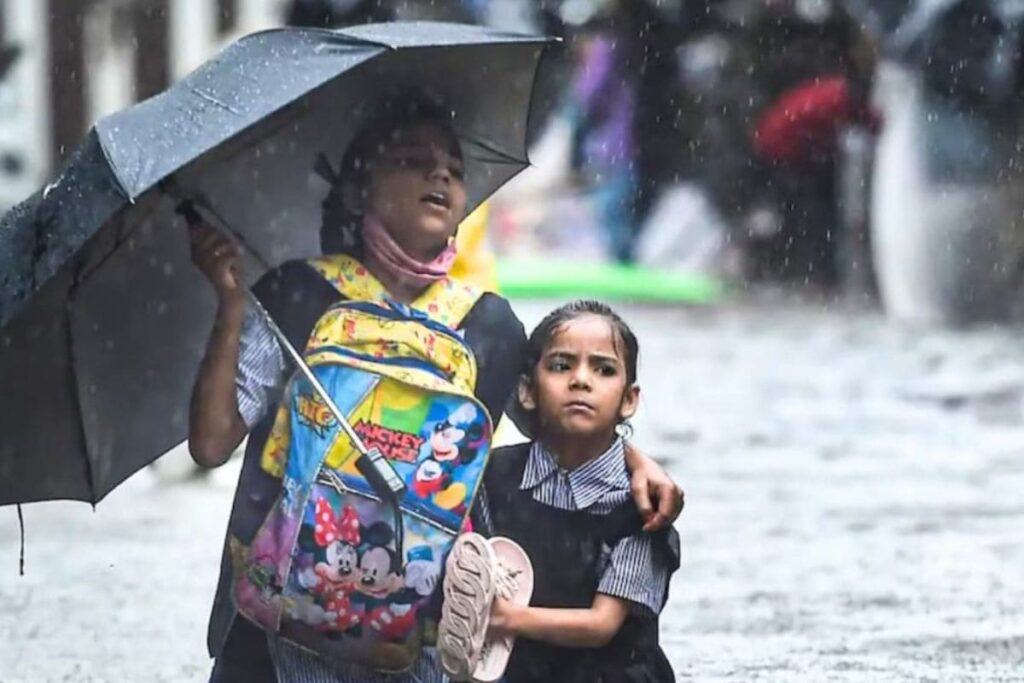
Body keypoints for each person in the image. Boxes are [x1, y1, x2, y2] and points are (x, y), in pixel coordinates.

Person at [186, 94, 684, 682]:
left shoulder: (489, 326)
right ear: (357, 188)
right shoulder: (297, 297)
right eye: (411, 160)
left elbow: (566, 424)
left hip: (424, 631)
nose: (440, 174)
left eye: (452, 166)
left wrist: (634, 460)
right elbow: (212, 444)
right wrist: (231, 303)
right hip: (275, 625)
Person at [479, 299, 678, 682]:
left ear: (629, 400)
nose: (581, 380)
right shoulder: (492, 477)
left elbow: (602, 624)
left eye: (603, 369)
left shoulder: (640, 507)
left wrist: (503, 618)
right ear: (527, 391)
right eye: (561, 366)